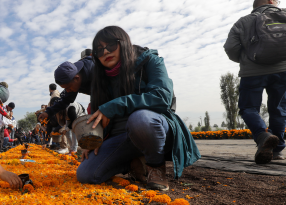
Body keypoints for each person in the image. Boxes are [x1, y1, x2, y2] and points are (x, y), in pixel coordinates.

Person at [76, 26, 200, 191]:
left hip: (153, 128)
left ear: (124, 43)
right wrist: (92, 138)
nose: (105, 52)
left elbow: (162, 97)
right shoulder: (100, 79)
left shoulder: (150, 61)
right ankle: (132, 162)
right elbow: (96, 113)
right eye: (99, 50)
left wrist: (115, 105)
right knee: (86, 174)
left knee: (141, 120)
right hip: (120, 137)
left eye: (111, 45)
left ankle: (155, 167)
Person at [224, 0, 286, 163]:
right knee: (279, 108)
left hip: (252, 71)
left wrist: (245, 59)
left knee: (248, 107)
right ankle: (277, 150)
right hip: (284, 70)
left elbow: (230, 47)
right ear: (271, 1)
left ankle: (262, 136)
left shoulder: (243, 21)